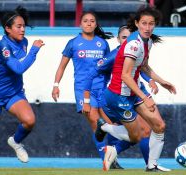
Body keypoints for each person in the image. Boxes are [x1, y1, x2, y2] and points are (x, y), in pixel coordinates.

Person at [96, 6, 176, 171]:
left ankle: (152, 165)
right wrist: (145, 97)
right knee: (136, 136)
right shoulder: (133, 44)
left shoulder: (149, 41)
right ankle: (103, 126)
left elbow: (144, 66)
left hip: (133, 91)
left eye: (151, 24)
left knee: (159, 125)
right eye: (144, 23)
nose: (148, 27)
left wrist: (162, 81)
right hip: (118, 95)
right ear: (137, 24)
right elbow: (125, 75)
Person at [0, 6, 45, 172]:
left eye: (23, 26)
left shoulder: (25, 42)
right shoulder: (3, 46)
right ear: (7, 28)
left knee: (29, 120)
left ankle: (16, 141)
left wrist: (31, 50)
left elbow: (20, 67)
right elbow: (18, 68)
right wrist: (34, 51)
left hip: (14, 92)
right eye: (18, 26)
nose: (22, 29)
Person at [51, 11, 123, 169]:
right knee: (97, 123)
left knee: (111, 126)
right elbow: (62, 66)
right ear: (80, 24)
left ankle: (112, 158)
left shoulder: (102, 44)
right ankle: (107, 160)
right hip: (83, 89)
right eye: (85, 21)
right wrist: (56, 85)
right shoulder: (73, 43)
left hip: (102, 89)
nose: (89, 23)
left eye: (92, 21)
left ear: (96, 24)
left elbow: (108, 65)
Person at [83, 25, 158, 168]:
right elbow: (91, 73)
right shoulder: (114, 55)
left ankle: (115, 154)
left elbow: (140, 68)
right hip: (117, 98)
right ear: (118, 40)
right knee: (141, 130)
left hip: (131, 96)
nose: (127, 41)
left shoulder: (136, 51)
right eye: (124, 37)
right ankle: (149, 166)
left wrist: (150, 81)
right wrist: (86, 100)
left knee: (142, 131)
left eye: (130, 37)